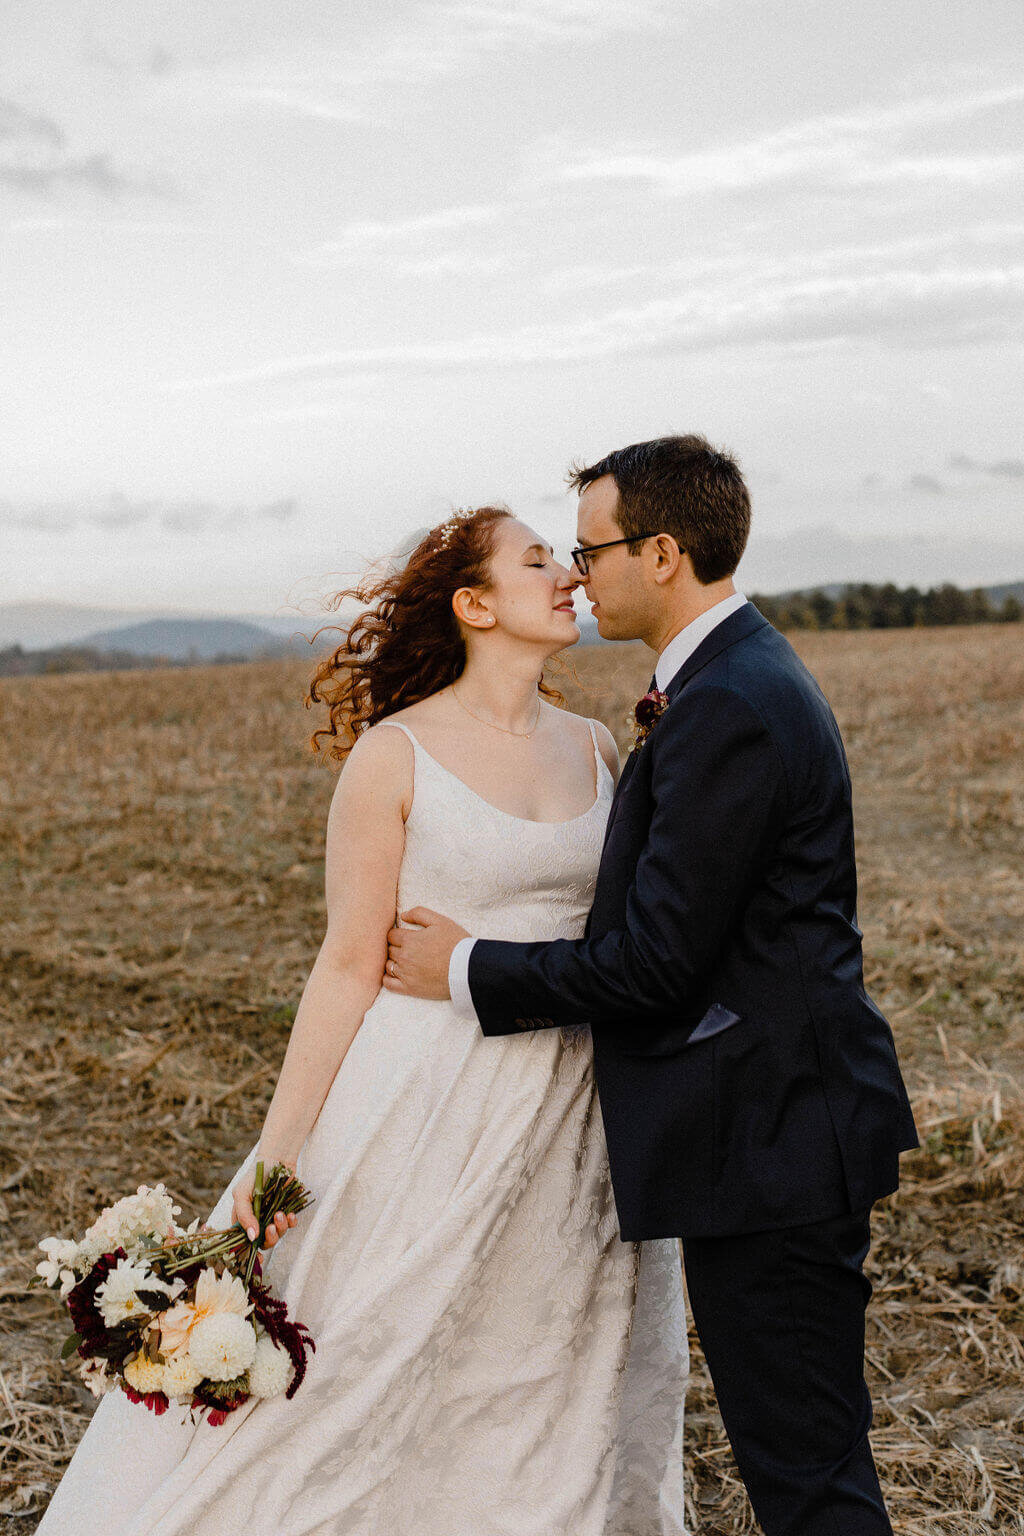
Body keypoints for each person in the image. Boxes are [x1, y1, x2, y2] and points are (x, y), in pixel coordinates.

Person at [35, 505, 688, 1536]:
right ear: (475, 604)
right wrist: (276, 1156)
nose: (566, 576)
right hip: (424, 1099)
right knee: (379, 1348)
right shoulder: (395, 757)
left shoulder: (600, 746)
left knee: (544, 1358)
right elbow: (346, 965)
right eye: (535, 563)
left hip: (572, 1114)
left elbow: (626, 947)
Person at [384, 436, 920, 1536]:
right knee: (800, 1452)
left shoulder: (728, 703)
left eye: (590, 549)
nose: (577, 574)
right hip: (769, 1131)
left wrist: (467, 967)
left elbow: (659, 962)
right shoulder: (727, 680)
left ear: (663, 552)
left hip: (772, 1139)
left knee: (808, 1471)